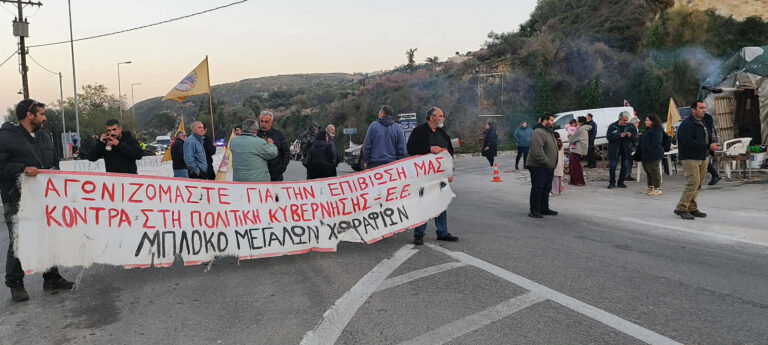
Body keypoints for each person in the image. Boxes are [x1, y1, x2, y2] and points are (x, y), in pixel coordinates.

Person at [0, 99, 74, 302]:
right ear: (29, 115)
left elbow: (53, 162)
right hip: (17, 198)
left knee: (48, 234)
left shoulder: (44, 137)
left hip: (44, 197)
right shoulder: (6, 138)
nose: (45, 117)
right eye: (41, 114)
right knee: (20, 239)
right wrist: (22, 170)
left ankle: (51, 278)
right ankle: (15, 283)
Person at [406, 107, 458, 245]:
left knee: (441, 203)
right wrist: (429, 149)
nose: (443, 118)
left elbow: (450, 154)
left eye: (442, 116)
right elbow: (411, 148)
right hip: (424, 177)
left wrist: (451, 171)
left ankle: (442, 232)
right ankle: (419, 234)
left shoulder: (443, 134)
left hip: (440, 178)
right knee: (423, 203)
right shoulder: (419, 132)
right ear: (431, 117)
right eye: (440, 116)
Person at [674, 100, 721, 220]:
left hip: (703, 156)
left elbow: (707, 136)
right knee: (693, 183)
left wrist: (711, 146)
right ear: (693, 110)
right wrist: (708, 146)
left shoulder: (704, 122)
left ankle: (692, 207)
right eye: (701, 108)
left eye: (704, 107)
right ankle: (681, 208)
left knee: (699, 184)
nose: (704, 110)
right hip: (690, 157)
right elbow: (688, 142)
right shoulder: (687, 124)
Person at [527, 114, 559, 218]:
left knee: (546, 188)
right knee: (538, 188)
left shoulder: (550, 132)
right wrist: (546, 161)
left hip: (548, 166)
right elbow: (537, 152)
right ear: (545, 121)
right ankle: (535, 210)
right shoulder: (538, 132)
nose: (553, 122)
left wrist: (552, 163)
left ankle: (544, 208)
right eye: (551, 120)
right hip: (539, 166)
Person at [606, 111, 637, 189]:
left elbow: (635, 136)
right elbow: (609, 137)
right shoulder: (612, 126)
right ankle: (612, 182)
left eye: (627, 120)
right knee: (613, 166)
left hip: (626, 149)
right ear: (620, 119)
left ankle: (621, 182)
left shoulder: (630, 126)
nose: (626, 122)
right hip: (614, 149)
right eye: (624, 120)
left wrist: (631, 135)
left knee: (625, 166)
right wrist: (619, 135)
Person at [258, 111, 291, 181]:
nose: (263, 124)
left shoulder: (279, 135)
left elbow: (287, 153)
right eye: (262, 121)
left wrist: (280, 169)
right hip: (258, 175)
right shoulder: (255, 134)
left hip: (275, 175)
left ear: (271, 123)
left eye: (266, 122)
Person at [641, 115, 665, 196]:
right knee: (648, 170)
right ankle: (650, 186)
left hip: (654, 153)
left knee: (654, 170)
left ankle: (657, 188)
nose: (645, 122)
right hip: (646, 153)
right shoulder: (648, 129)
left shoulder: (657, 130)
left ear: (652, 121)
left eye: (647, 120)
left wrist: (649, 149)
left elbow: (656, 142)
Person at [568, 116, 590, 186]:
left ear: (581, 122)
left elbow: (572, 139)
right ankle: (575, 180)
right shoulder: (582, 129)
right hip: (577, 148)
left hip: (577, 149)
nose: (576, 123)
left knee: (575, 166)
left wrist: (569, 136)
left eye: (577, 121)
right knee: (574, 165)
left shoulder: (581, 129)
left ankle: (578, 181)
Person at [703, 112, 721, 185]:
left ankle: (715, 175)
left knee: (703, 158)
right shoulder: (707, 116)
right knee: (703, 159)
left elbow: (707, 130)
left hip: (706, 141)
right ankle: (715, 175)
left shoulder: (705, 117)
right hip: (707, 141)